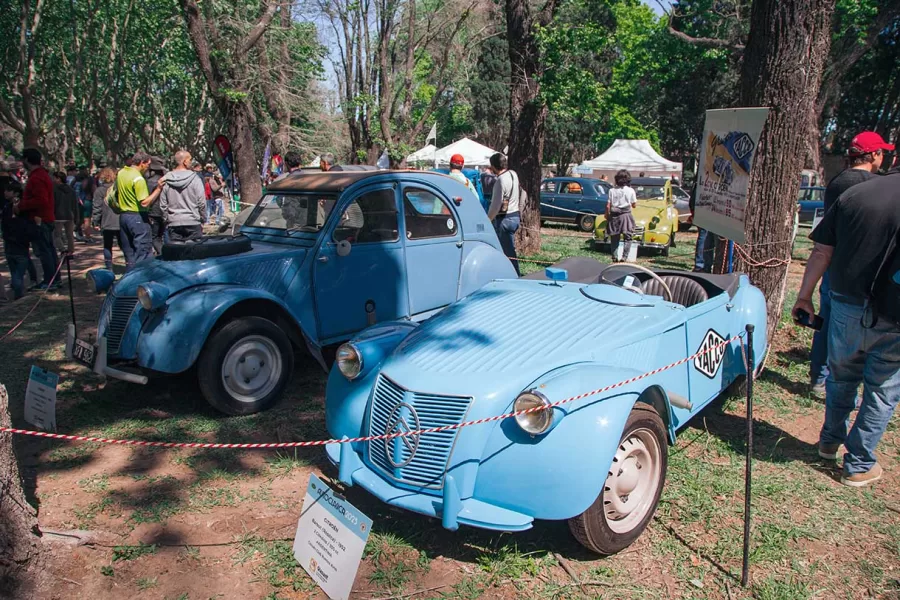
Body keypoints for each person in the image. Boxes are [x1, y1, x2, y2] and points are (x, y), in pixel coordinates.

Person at [791, 148, 899, 487]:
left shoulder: (856, 193)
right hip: (894, 317)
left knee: (841, 376)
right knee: (881, 390)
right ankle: (858, 463)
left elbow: (822, 251)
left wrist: (805, 295)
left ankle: (828, 441)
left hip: (846, 306)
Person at [807, 131, 889, 396]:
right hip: (857, 270)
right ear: (874, 154)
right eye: (882, 152)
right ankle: (836, 383)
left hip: (830, 265)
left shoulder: (837, 181)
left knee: (825, 322)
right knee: (850, 331)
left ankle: (819, 376)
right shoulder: (871, 185)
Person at [17, 148, 59, 289]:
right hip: (44, 217)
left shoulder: (37, 177)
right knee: (48, 249)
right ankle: (54, 278)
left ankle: (50, 280)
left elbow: (40, 200)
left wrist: (21, 206)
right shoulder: (40, 175)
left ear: (27, 160)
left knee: (44, 251)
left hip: (40, 218)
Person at [116, 151, 161, 270]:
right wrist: (158, 189)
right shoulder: (138, 179)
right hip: (137, 216)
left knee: (129, 253)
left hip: (124, 216)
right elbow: (144, 202)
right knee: (143, 251)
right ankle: (143, 277)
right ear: (141, 163)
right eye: (147, 164)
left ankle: (130, 277)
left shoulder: (121, 173)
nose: (148, 167)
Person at [160, 150, 207, 242]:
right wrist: (203, 219)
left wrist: (166, 219)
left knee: (177, 253)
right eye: (190, 160)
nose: (191, 162)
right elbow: (201, 202)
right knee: (193, 253)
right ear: (185, 161)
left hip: (174, 222)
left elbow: (163, 204)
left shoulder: (166, 180)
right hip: (193, 221)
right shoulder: (195, 179)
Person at [487, 152, 521, 275]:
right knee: (509, 249)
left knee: (507, 252)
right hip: (515, 216)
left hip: (504, 219)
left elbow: (495, 205)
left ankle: (514, 275)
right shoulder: (513, 174)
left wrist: (488, 219)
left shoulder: (500, 181)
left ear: (494, 166)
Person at [1, 180, 32, 299]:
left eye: (8, 190)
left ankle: (18, 292)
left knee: (17, 272)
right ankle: (18, 293)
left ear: (16, 193)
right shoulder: (6, 207)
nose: (5, 192)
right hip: (12, 243)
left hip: (18, 242)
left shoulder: (20, 207)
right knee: (16, 271)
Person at [605, 169, 638, 262]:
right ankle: (624, 257)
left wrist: (606, 215)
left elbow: (608, 205)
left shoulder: (611, 190)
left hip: (614, 215)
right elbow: (634, 205)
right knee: (628, 237)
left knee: (614, 237)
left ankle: (614, 256)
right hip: (626, 215)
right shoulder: (631, 190)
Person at [91, 168, 119, 271]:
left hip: (106, 221)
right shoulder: (118, 188)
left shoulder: (99, 191)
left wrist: (95, 221)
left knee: (107, 245)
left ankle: (109, 267)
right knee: (124, 245)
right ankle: (130, 265)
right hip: (119, 220)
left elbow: (97, 207)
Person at [52, 171, 78, 256]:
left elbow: (53, 203)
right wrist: (76, 216)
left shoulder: (54, 190)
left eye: (54, 178)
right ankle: (71, 251)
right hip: (69, 215)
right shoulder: (71, 190)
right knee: (69, 235)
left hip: (58, 216)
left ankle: (62, 249)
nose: (53, 179)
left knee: (56, 235)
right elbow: (75, 204)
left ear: (58, 179)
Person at [145, 156, 168, 255]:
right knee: (161, 236)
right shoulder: (166, 181)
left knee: (154, 238)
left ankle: (163, 254)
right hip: (164, 212)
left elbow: (147, 199)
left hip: (153, 213)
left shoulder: (149, 181)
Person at [75, 165, 97, 243]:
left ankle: (76, 231)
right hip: (87, 201)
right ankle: (87, 236)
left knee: (80, 218)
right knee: (87, 219)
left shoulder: (75, 180)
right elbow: (94, 190)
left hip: (78, 202)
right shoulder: (90, 180)